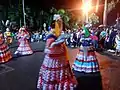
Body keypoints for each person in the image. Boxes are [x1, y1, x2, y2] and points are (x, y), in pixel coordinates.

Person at [37, 15, 77, 90]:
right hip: (53, 55)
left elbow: (60, 38)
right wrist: (55, 43)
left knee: (61, 70)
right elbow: (48, 47)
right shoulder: (52, 31)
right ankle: (54, 85)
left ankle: (61, 85)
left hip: (60, 53)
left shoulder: (59, 31)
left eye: (60, 22)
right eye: (58, 22)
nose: (60, 24)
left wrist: (61, 41)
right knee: (54, 70)